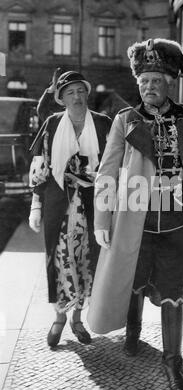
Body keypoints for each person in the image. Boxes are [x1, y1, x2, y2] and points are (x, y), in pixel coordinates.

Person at [87, 38, 183, 390]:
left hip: (176, 222)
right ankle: (133, 333)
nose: (149, 88)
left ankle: (172, 364)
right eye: (143, 82)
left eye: (156, 81)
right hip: (134, 222)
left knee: (172, 292)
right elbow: (107, 172)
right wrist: (101, 219)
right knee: (133, 281)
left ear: (169, 82)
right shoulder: (125, 120)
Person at [28, 71, 112, 347]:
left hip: (93, 206)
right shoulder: (52, 124)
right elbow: (40, 168)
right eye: (70, 93)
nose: (77, 97)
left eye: (81, 91)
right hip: (58, 206)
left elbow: (116, 165)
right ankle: (59, 318)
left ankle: (77, 319)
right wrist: (36, 206)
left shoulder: (103, 124)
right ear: (62, 99)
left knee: (87, 262)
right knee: (59, 261)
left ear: (87, 94)